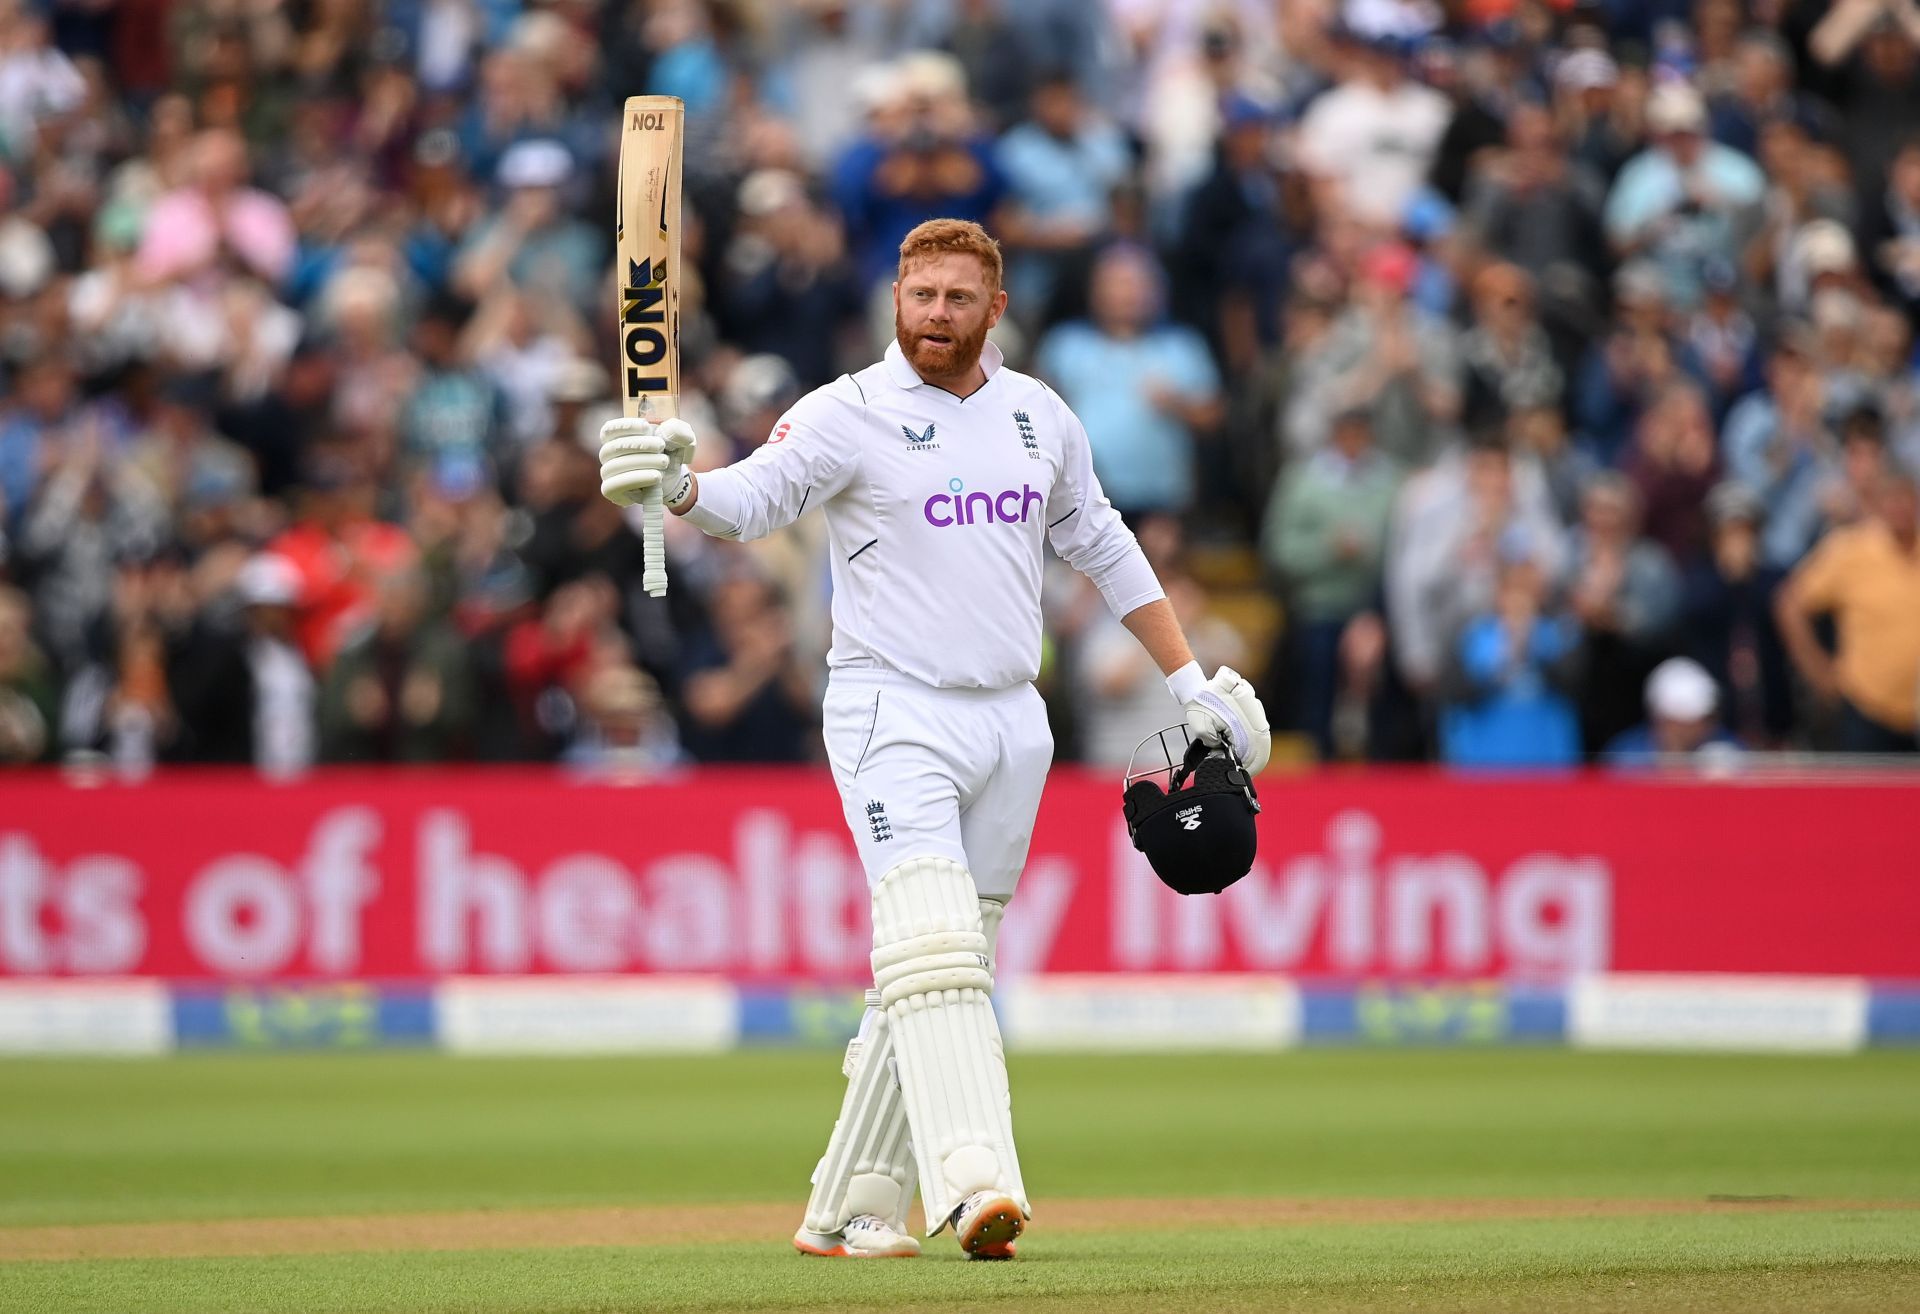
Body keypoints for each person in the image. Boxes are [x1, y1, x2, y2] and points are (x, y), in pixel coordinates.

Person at [595, 219, 1270, 1261]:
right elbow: (750, 503)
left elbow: (1107, 546)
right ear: (896, 300)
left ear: (993, 309)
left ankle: (851, 1203)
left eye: (958, 299)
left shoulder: (1039, 417)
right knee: (935, 945)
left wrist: (1188, 683)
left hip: (1013, 718)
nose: (937, 318)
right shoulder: (846, 413)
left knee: (936, 972)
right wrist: (677, 484)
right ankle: (976, 1183)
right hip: (889, 707)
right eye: (921, 298)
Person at [1775, 469, 1920, 753]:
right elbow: (1790, 604)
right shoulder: (1851, 550)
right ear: (1879, 503)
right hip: (1866, 707)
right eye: (1892, 498)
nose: (1900, 507)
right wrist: (1820, 673)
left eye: (1907, 498)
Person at [1604, 656, 1743, 767]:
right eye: (1688, 722)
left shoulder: (1726, 748)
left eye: (1706, 718)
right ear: (1663, 720)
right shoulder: (1625, 757)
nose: (1702, 727)